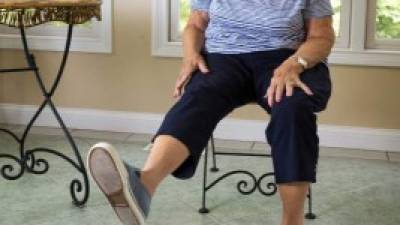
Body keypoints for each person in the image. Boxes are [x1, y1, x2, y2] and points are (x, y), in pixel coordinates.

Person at [87, 0, 335, 225]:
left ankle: (292, 221)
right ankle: (143, 186)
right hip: (224, 57)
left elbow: (321, 35)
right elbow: (196, 24)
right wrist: (190, 55)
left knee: (293, 108)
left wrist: (296, 63)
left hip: (286, 58)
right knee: (198, 97)